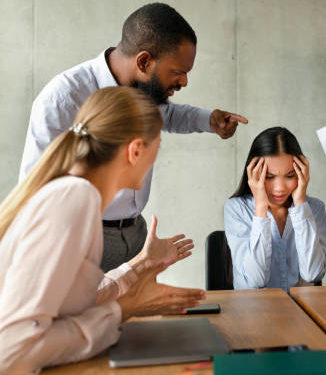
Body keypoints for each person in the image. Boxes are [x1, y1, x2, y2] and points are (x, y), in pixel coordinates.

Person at [19, 3, 248, 272]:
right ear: (143, 61)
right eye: (178, 72)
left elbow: (164, 114)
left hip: (136, 233)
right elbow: (38, 190)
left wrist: (208, 120)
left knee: (142, 311)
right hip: (84, 239)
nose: (184, 82)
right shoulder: (63, 98)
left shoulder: (145, 89)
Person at [0, 87, 205, 373]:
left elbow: (65, 303)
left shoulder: (75, 194)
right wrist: (125, 308)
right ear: (135, 150)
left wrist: (141, 265)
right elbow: (13, 348)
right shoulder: (74, 198)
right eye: (157, 146)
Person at [224, 127, 326, 292]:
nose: (279, 188)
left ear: (302, 173)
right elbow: (255, 281)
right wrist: (260, 207)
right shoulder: (237, 208)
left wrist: (300, 203)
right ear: (253, 174)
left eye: (289, 176)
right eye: (269, 177)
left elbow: (313, 274)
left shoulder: (314, 208)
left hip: (299, 312)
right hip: (253, 313)